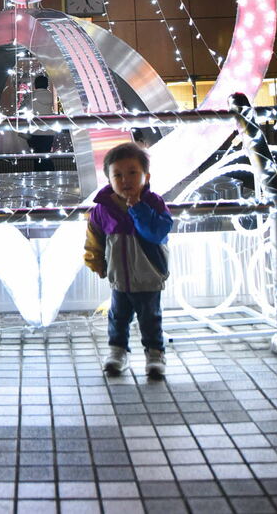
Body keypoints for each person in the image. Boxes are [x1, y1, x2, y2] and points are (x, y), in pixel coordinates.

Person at [84, 141, 173, 378]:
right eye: (118, 175)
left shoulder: (154, 203)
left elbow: (156, 232)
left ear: (146, 175)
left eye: (133, 173)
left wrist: (137, 208)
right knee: (118, 316)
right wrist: (96, 262)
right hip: (120, 277)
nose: (126, 180)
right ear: (109, 179)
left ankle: (155, 354)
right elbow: (95, 238)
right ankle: (117, 352)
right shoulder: (102, 209)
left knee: (151, 317)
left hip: (149, 274)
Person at [28, 73, 55, 170]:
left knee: (37, 155)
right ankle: (50, 171)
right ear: (47, 84)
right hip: (49, 130)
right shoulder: (52, 96)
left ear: (35, 84)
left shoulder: (30, 97)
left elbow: (22, 110)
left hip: (35, 131)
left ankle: (40, 173)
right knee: (46, 153)